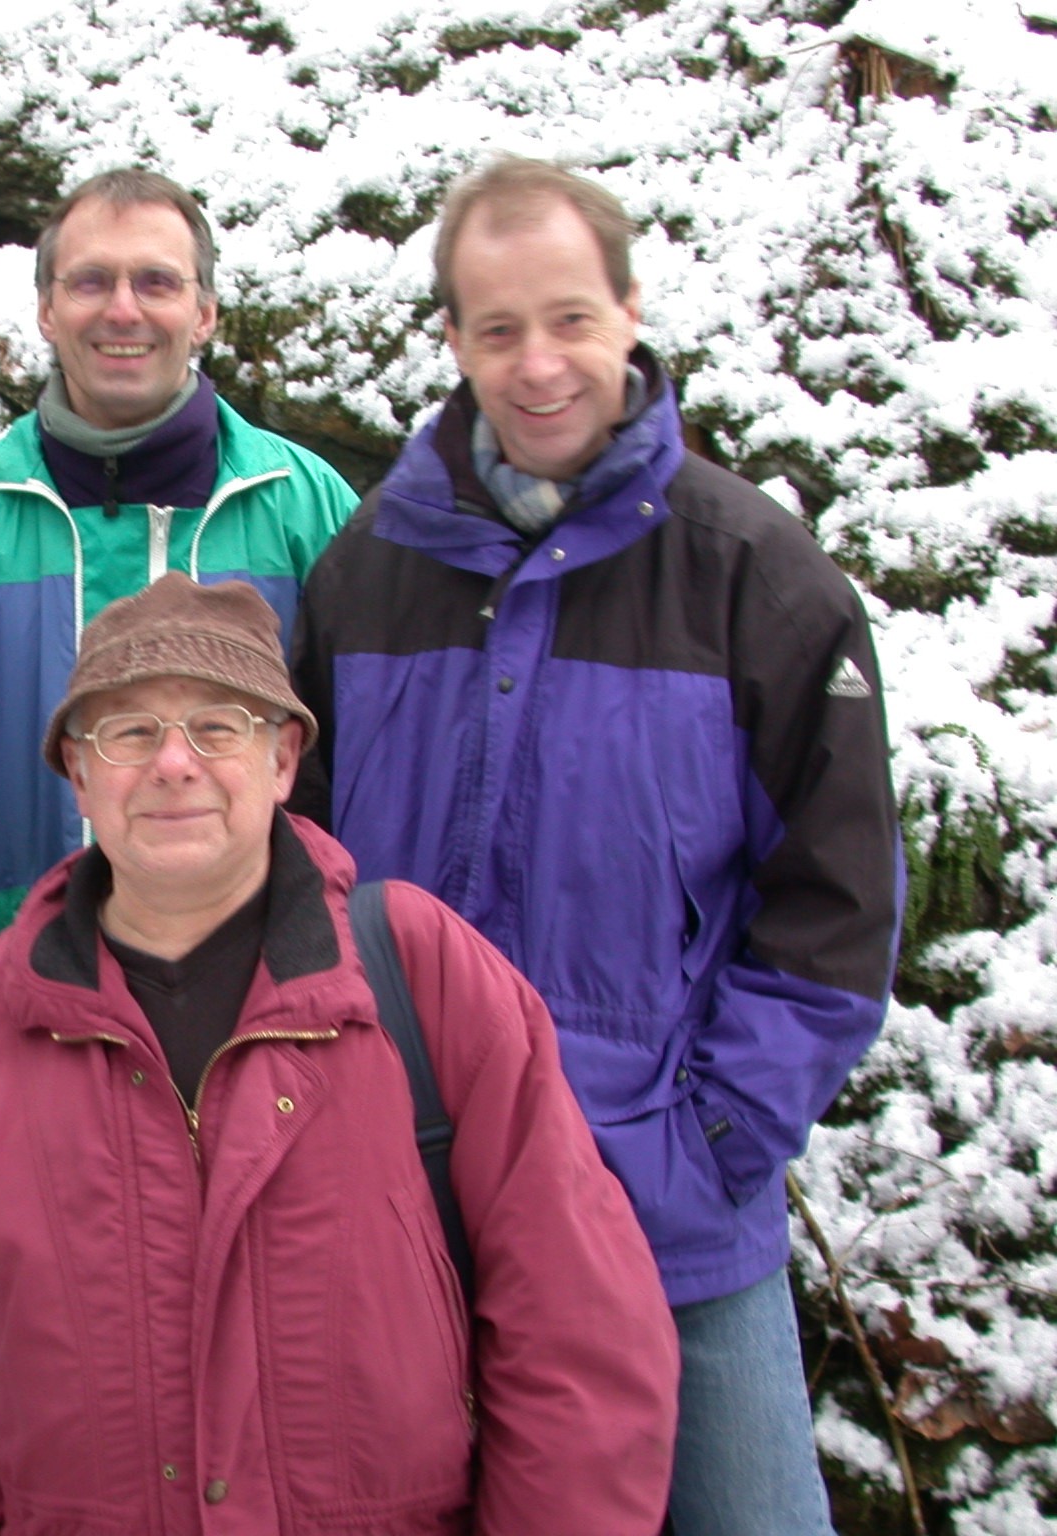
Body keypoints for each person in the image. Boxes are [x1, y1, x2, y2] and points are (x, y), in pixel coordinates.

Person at [290, 156, 902, 1535]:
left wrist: (717, 1140)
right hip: (411, 1209)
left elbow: (837, 906)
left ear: (629, 311)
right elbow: (297, 873)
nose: (538, 364)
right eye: (498, 328)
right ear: (453, 340)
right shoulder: (364, 576)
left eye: (570, 318)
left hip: (667, 1213)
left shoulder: (758, 579)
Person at [0, 573, 678, 1536]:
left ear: (284, 758)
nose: (173, 763)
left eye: (217, 727)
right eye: (128, 732)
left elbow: (581, 1349)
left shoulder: (422, 980)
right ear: (78, 774)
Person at [0, 168, 357, 938]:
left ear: (204, 313)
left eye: (156, 282)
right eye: (91, 281)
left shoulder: (309, 510)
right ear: (46, 310)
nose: (123, 309)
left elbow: (369, 770)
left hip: (262, 974)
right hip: (2, 971)